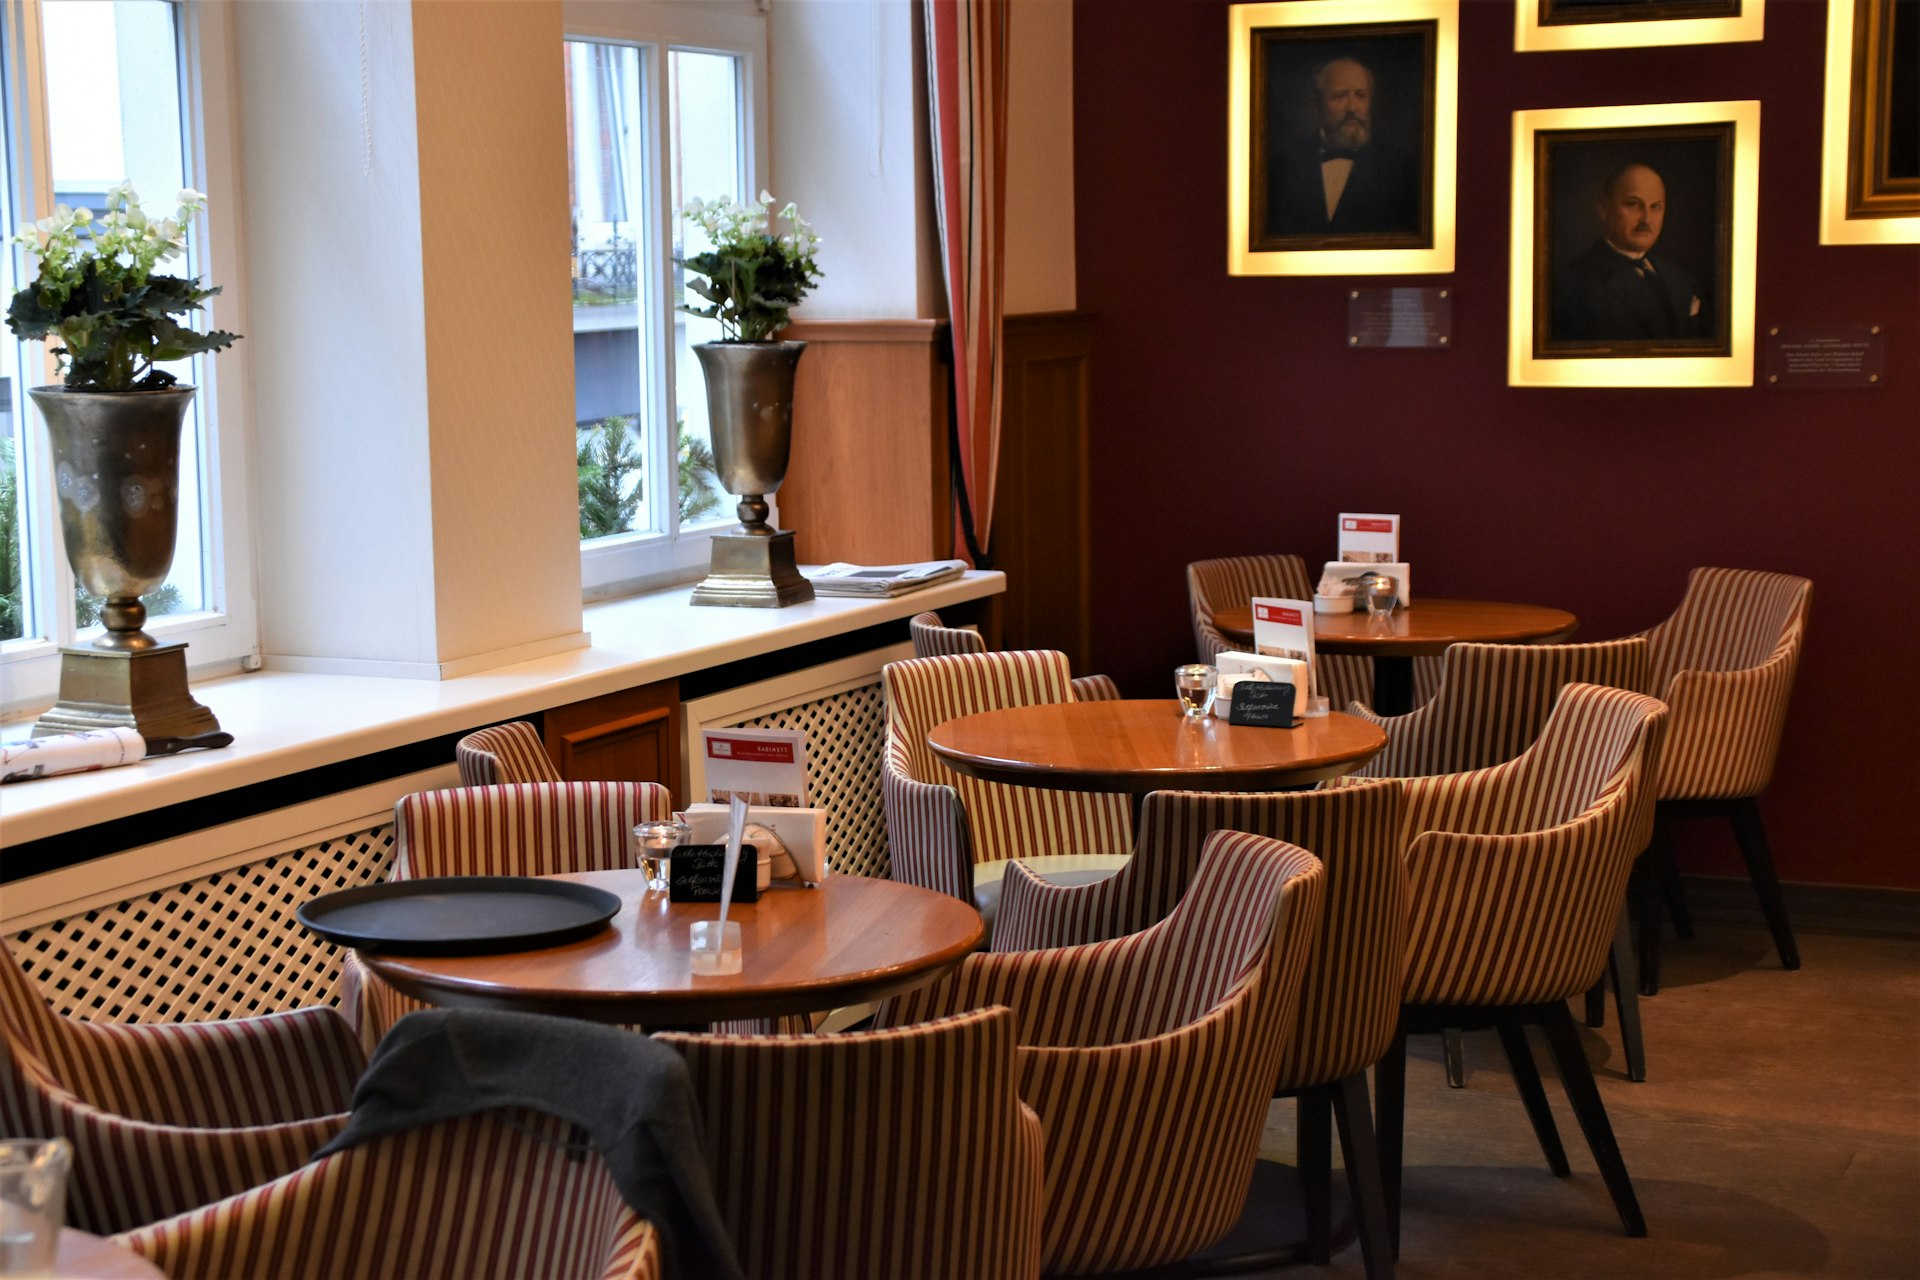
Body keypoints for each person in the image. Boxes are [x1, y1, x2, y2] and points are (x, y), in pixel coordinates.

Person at [1264, 56, 1420, 238]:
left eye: (1360, 96)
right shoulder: (1284, 165)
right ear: (1316, 106)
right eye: (1340, 96)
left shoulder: (1401, 168)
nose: (1352, 108)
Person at [1554, 161, 1711, 342]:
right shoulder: (1572, 287)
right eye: (1633, 204)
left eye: (1655, 206)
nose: (1647, 220)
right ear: (1604, 208)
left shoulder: (1682, 279)